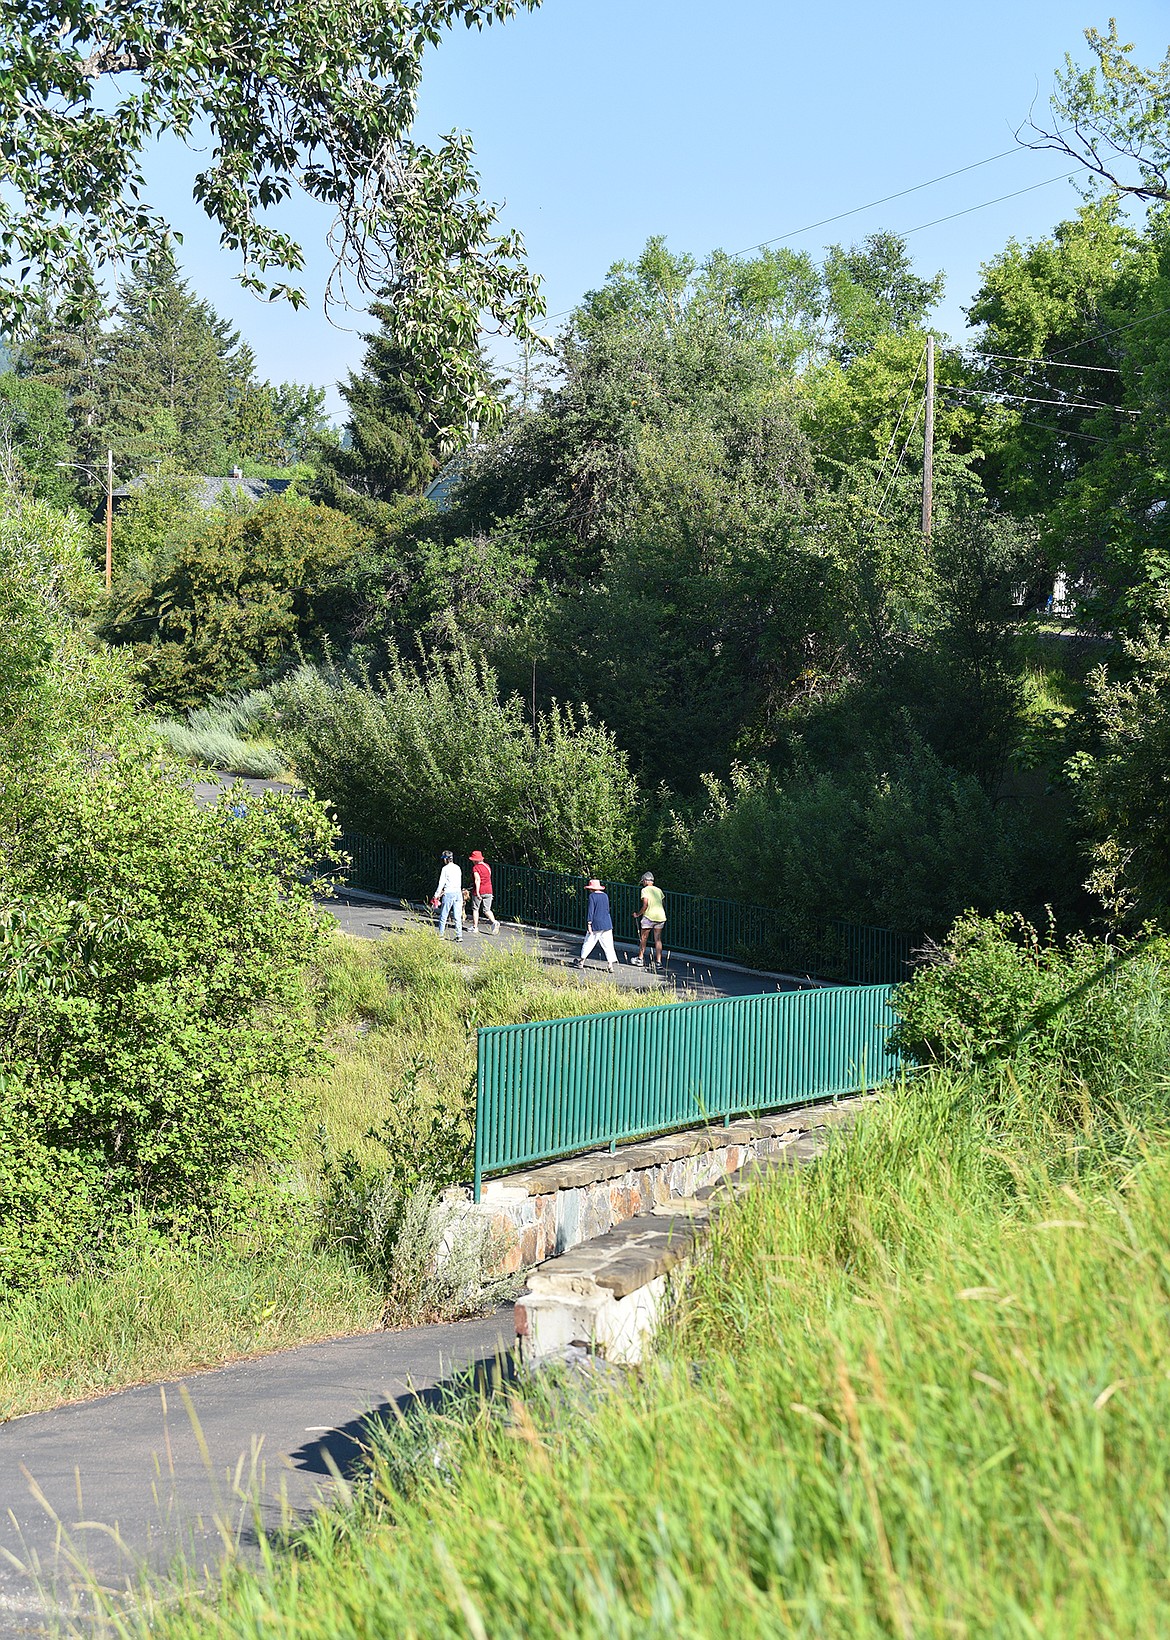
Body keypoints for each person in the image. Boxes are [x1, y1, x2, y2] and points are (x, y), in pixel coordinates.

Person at [576, 878, 616, 971]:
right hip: (607, 922)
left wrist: (589, 923)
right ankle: (610, 965)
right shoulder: (605, 896)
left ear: (591, 889)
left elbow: (591, 910)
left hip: (596, 923)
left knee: (589, 942)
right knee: (608, 944)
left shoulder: (592, 896)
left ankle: (581, 961)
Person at [631, 871, 666, 967]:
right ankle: (658, 962)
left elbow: (645, 904)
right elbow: (663, 903)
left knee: (644, 938)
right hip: (660, 916)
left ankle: (640, 959)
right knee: (658, 939)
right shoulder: (659, 890)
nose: (643, 883)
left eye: (643, 881)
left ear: (646, 881)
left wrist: (638, 914)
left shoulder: (645, 890)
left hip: (649, 916)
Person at [432, 849, 463, 942]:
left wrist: (436, 894)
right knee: (457, 915)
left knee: (444, 915)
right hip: (458, 893)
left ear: (445, 859)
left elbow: (441, 882)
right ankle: (459, 935)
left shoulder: (445, 869)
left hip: (448, 893)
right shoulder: (458, 867)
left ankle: (441, 934)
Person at [468, 849, 499, 934]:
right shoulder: (487, 866)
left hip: (479, 890)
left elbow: (477, 880)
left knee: (475, 909)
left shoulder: (475, 868)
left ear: (475, 860)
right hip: (489, 890)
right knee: (487, 910)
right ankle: (494, 922)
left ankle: (475, 927)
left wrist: (477, 892)